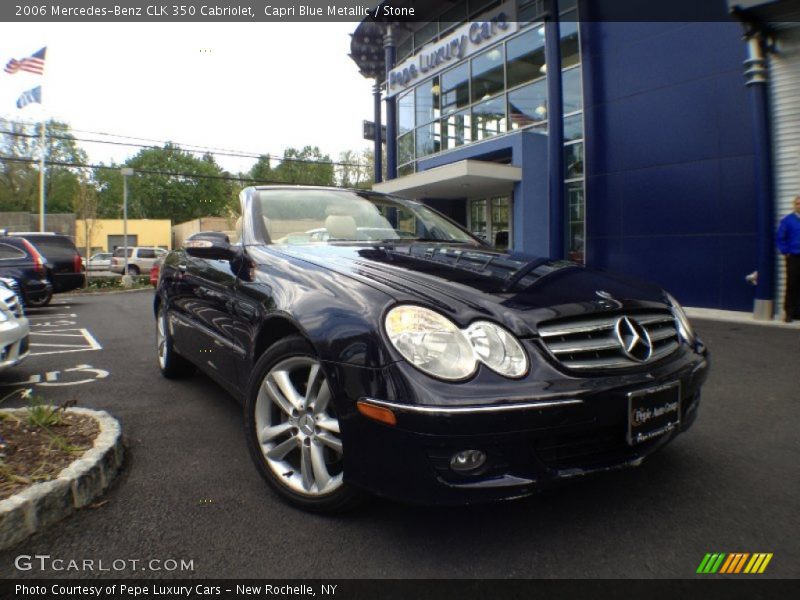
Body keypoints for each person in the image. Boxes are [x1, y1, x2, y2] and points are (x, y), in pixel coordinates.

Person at [777, 196, 800, 322]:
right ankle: (789, 313)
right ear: (794, 205)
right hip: (794, 257)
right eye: (797, 203)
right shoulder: (787, 220)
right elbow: (780, 237)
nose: (799, 205)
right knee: (792, 285)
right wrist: (785, 251)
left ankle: (798, 312)